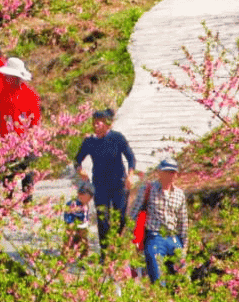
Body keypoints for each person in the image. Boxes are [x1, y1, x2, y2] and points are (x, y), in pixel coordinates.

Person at [73, 108, 136, 261]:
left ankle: (117, 246)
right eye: (94, 123)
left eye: (99, 122)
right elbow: (77, 160)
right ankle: (105, 254)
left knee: (120, 217)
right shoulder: (90, 142)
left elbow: (131, 158)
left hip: (119, 184)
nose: (96, 126)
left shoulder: (117, 138)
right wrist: (80, 171)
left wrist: (130, 175)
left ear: (108, 124)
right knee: (102, 218)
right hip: (100, 185)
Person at [128, 157, 189, 286]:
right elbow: (134, 213)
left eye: (172, 172)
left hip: (173, 237)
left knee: (183, 278)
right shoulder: (148, 189)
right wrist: (128, 237)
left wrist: (185, 245)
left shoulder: (179, 194)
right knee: (158, 277)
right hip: (155, 235)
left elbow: (183, 221)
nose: (169, 175)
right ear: (160, 172)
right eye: (166, 171)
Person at [0, 56, 41, 200]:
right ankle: (7, 203)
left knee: (26, 174)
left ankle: (27, 203)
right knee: (7, 174)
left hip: (24, 140)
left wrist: (32, 139)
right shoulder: (3, 94)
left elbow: (35, 120)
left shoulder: (31, 95)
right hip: (7, 141)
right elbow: (0, 117)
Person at [63, 181, 96, 258]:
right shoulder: (73, 204)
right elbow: (67, 213)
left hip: (82, 226)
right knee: (69, 240)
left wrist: (86, 222)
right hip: (72, 225)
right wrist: (69, 222)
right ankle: (65, 256)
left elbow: (86, 215)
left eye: (89, 198)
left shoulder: (86, 205)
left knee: (84, 241)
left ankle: (83, 257)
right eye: (80, 195)